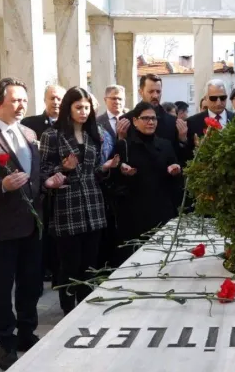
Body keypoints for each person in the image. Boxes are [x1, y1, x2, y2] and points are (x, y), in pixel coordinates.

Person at [0, 77, 65, 370]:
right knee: (2, 288)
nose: (21, 106)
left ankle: (27, 333)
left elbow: (33, 177)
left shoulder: (31, 134)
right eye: (15, 100)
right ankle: (6, 342)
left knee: (31, 285)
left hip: (33, 225)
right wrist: (0, 186)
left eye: (24, 100)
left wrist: (47, 182)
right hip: (0, 227)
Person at [39, 86, 118, 316]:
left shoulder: (95, 134)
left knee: (90, 263)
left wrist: (104, 168)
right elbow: (43, 171)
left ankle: (85, 306)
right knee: (69, 263)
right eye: (78, 107)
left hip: (93, 205)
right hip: (67, 206)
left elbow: (93, 171)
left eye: (87, 107)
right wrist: (63, 168)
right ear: (68, 108)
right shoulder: (52, 135)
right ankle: (67, 308)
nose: (83, 112)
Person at [109, 103, 182, 266]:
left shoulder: (165, 144)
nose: (151, 122)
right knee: (136, 260)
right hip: (134, 214)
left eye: (153, 118)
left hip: (161, 211)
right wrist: (122, 171)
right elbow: (111, 177)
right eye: (146, 118)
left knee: (161, 259)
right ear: (135, 121)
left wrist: (175, 170)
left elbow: (176, 170)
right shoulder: (124, 145)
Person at [21, 85, 66, 286]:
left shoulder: (69, 125)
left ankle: (58, 274)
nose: (56, 102)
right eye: (52, 98)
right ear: (45, 100)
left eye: (59, 99)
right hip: (40, 189)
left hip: (63, 190)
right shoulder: (30, 124)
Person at [186, 79, 235, 154]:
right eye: (213, 98)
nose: (219, 103)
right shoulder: (192, 122)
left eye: (222, 98)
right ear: (205, 98)